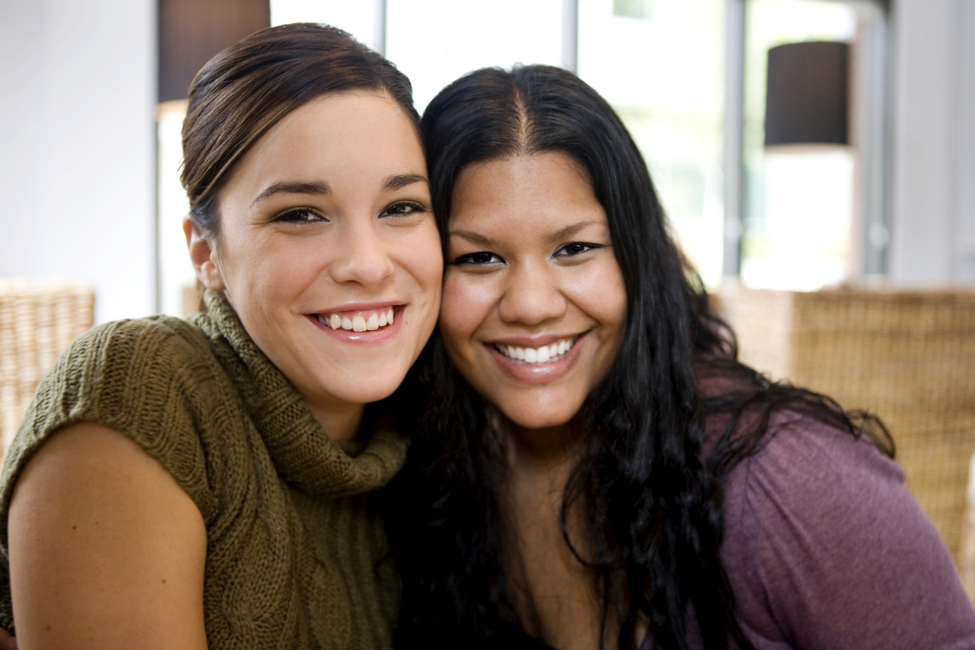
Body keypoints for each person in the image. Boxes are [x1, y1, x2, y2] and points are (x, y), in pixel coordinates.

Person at [386, 64, 975, 649]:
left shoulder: (787, 479)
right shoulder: (424, 469)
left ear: (639, 258)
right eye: (479, 259)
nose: (533, 305)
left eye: (575, 248)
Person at [0, 23, 440, 649]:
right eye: (300, 215)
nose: (367, 264)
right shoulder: (140, 389)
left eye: (401, 208)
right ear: (205, 252)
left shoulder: (433, 434)